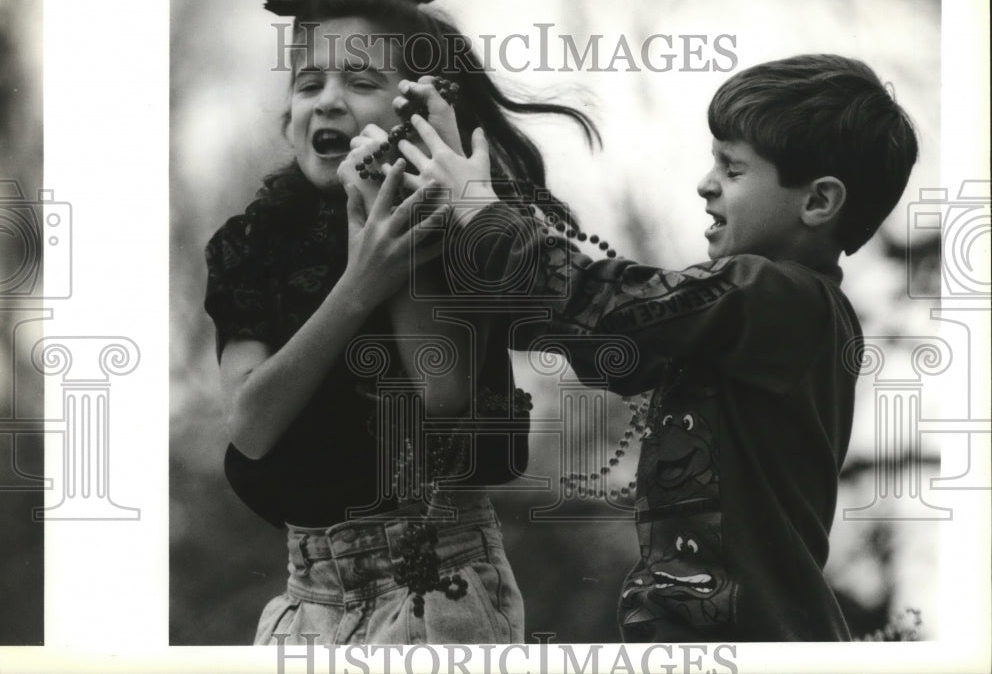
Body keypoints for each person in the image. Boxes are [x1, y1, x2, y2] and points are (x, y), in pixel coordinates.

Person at [390, 54, 919, 641]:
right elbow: (605, 344)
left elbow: (615, 307)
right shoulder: (759, 315)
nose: (705, 182)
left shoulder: (781, 297)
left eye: (733, 169)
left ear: (818, 202)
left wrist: (481, 209)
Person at [202, 0, 598, 645]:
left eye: (359, 80)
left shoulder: (457, 227)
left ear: (412, 106)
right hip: (305, 598)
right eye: (307, 83)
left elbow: (442, 396)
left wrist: (408, 236)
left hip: (435, 583)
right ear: (287, 116)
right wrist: (358, 287)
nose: (328, 99)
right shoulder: (253, 243)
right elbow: (250, 422)